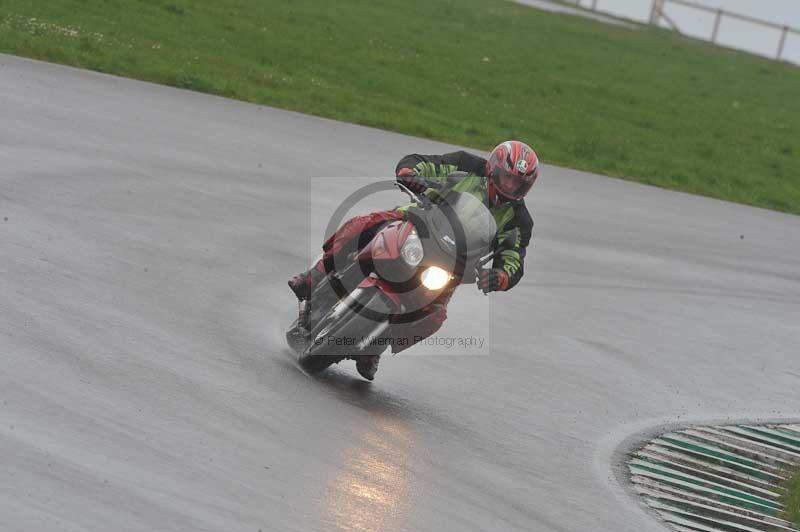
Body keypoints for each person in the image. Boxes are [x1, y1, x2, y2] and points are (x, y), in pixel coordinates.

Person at [288, 140, 538, 380]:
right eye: (509, 177)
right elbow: (424, 163)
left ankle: (376, 346)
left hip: (454, 264)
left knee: (433, 317)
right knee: (362, 225)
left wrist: (501, 276)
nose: (511, 186)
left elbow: (513, 257)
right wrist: (410, 173)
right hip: (419, 222)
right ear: (493, 168)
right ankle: (315, 276)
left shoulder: (519, 220)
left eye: (519, 184)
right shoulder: (467, 165)